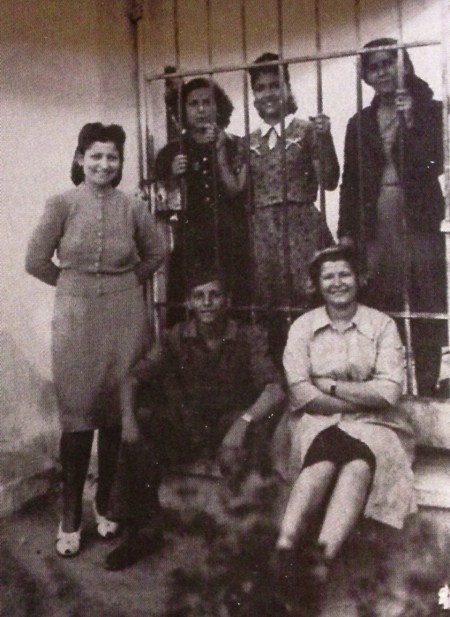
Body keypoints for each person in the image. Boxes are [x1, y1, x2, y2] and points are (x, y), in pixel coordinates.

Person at [25, 123, 167, 557]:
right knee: (77, 415)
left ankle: (106, 503)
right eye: (96, 156)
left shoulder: (133, 207)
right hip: (76, 320)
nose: (104, 165)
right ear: (80, 159)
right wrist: (74, 286)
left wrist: (124, 283)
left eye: (112, 157)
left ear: (120, 163)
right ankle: (70, 514)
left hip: (125, 319)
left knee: (114, 414)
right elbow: (35, 260)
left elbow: (157, 252)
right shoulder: (61, 204)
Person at [104, 267, 285, 570]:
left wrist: (243, 423)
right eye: (199, 297)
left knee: (253, 437)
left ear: (227, 300)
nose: (207, 303)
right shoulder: (174, 337)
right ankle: (145, 531)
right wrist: (128, 422)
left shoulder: (248, 337)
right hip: (187, 425)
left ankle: (247, 539)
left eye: (215, 295)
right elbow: (132, 379)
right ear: (189, 303)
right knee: (142, 425)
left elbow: (275, 389)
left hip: (228, 426)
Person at [273, 245, 416, 611]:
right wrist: (359, 397)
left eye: (345, 274)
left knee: (357, 462)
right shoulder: (303, 327)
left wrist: (332, 386)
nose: (337, 283)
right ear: (317, 284)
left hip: (376, 423)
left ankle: (311, 568)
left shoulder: (382, 326)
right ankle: (286, 555)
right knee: (328, 463)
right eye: (328, 277)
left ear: (359, 279)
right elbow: (302, 393)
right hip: (317, 420)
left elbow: (388, 392)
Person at [338, 38, 447, 396]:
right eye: (374, 67)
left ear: (405, 65)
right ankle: (388, 386)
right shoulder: (360, 122)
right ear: (366, 76)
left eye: (389, 63)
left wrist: (410, 120)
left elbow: (434, 163)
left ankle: (426, 386)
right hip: (377, 222)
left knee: (425, 298)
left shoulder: (433, 110)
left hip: (417, 216)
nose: (382, 72)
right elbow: (350, 181)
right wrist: (346, 230)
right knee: (382, 300)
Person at [247, 52, 339, 356]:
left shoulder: (308, 130)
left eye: (275, 85)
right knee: (270, 304)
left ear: (287, 88)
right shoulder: (249, 141)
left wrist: (326, 139)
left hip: (302, 229)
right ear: (254, 95)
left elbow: (329, 180)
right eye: (260, 88)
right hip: (264, 232)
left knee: (308, 298)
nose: (268, 93)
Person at [155, 78, 249, 321]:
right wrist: (172, 176)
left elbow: (240, 192)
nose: (201, 109)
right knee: (187, 308)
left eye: (207, 102)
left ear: (218, 107)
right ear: (183, 110)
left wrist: (220, 153)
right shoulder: (171, 152)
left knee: (234, 304)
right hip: (190, 243)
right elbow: (162, 204)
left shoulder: (235, 145)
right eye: (193, 104)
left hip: (230, 239)